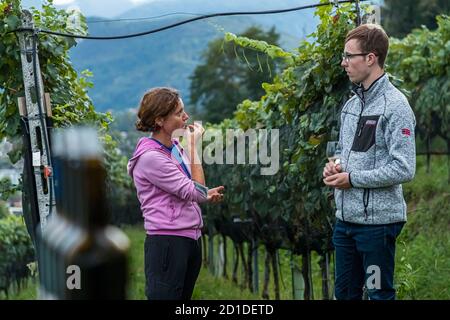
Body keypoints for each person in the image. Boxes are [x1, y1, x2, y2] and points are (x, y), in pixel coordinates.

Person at [323, 24, 416, 300]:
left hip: (377, 227)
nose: (344, 63)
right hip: (346, 222)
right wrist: (335, 165)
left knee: (378, 295)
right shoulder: (351, 107)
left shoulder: (395, 107)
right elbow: (343, 151)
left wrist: (351, 179)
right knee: (345, 295)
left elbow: (404, 167)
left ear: (371, 58)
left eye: (349, 56)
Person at [127, 87, 224, 300]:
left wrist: (205, 193)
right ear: (160, 120)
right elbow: (195, 192)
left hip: (189, 238)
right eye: (179, 113)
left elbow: (190, 189)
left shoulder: (173, 148)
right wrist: (193, 146)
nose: (186, 117)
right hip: (168, 243)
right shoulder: (151, 158)